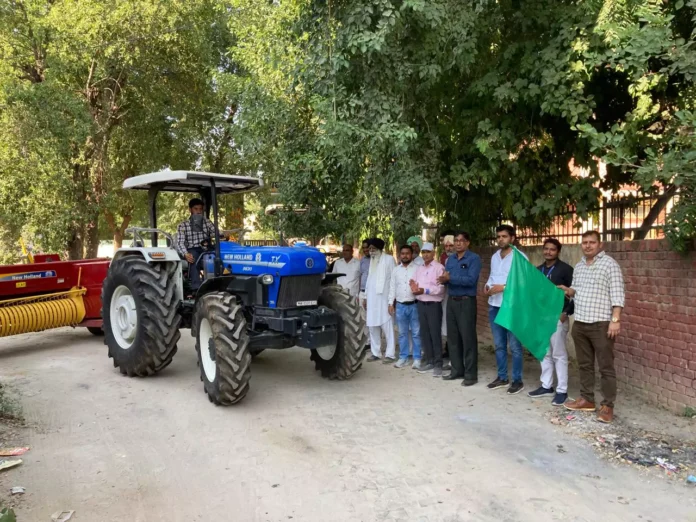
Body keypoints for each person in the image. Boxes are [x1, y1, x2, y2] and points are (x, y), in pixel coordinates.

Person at [559, 231, 625, 423]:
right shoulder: (579, 266)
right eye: (585, 242)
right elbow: (576, 290)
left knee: (606, 367)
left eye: (591, 242)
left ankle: (607, 406)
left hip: (601, 324)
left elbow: (618, 294)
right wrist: (568, 290)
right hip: (580, 323)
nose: (587, 246)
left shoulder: (610, 265)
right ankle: (587, 399)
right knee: (585, 365)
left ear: (600, 244)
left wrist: (615, 320)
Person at [527, 238, 574, 406]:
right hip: (541, 318)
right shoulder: (538, 270)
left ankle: (562, 390)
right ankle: (546, 385)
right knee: (544, 352)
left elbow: (574, 293)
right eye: (546, 249)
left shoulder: (566, 270)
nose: (548, 252)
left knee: (559, 354)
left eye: (552, 249)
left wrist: (565, 312)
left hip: (557, 318)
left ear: (558, 251)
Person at [485, 225, 528, 395]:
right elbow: (492, 276)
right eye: (499, 236)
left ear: (512, 238)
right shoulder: (495, 256)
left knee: (515, 346)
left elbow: (524, 283)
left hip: (512, 307)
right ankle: (502, 377)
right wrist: (488, 286)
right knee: (499, 344)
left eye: (504, 236)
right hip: (494, 305)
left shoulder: (520, 257)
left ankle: (517, 380)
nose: (500, 239)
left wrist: (502, 287)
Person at [439, 232, 481, 386]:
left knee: (468, 338)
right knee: (453, 338)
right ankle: (457, 370)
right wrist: (443, 280)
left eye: (461, 241)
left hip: (466, 301)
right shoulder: (450, 260)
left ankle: (471, 375)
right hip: (452, 301)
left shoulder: (473, 259)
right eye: (456, 241)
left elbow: (471, 280)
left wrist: (451, 279)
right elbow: (447, 278)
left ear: (468, 243)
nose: (457, 244)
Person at [410, 242, 446, 376]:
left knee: (435, 334)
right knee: (425, 333)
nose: (425, 255)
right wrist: (413, 286)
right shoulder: (419, 268)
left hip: (433, 305)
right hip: (421, 304)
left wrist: (424, 290)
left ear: (433, 253)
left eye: (428, 252)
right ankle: (430, 361)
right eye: (423, 252)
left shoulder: (439, 268)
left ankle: (438, 364)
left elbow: (441, 289)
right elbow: (413, 281)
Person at [388, 245, 422, 369]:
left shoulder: (418, 269)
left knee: (416, 333)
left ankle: (417, 358)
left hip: (415, 305)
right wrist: (390, 303)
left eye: (407, 253)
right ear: (399, 255)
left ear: (412, 254)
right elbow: (392, 288)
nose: (405, 256)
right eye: (402, 253)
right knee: (402, 333)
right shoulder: (396, 270)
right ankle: (403, 357)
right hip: (401, 306)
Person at [176, 198, 219, 291]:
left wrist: (221, 234)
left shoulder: (207, 222)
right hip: (192, 249)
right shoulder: (183, 225)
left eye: (200, 209)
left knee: (219, 255)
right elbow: (180, 242)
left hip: (206, 248)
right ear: (190, 210)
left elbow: (216, 234)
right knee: (193, 258)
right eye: (196, 209)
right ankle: (196, 288)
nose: (199, 211)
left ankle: (218, 283)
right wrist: (185, 254)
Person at [365, 238, 397, 362]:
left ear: (379, 249)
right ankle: (376, 353)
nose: (371, 251)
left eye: (373, 249)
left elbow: (393, 281)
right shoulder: (371, 261)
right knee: (372, 327)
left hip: (384, 300)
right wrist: (365, 296)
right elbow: (369, 279)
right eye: (370, 249)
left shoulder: (389, 259)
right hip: (372, 300)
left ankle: (390, 354)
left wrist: (391, 301)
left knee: (387, 327)